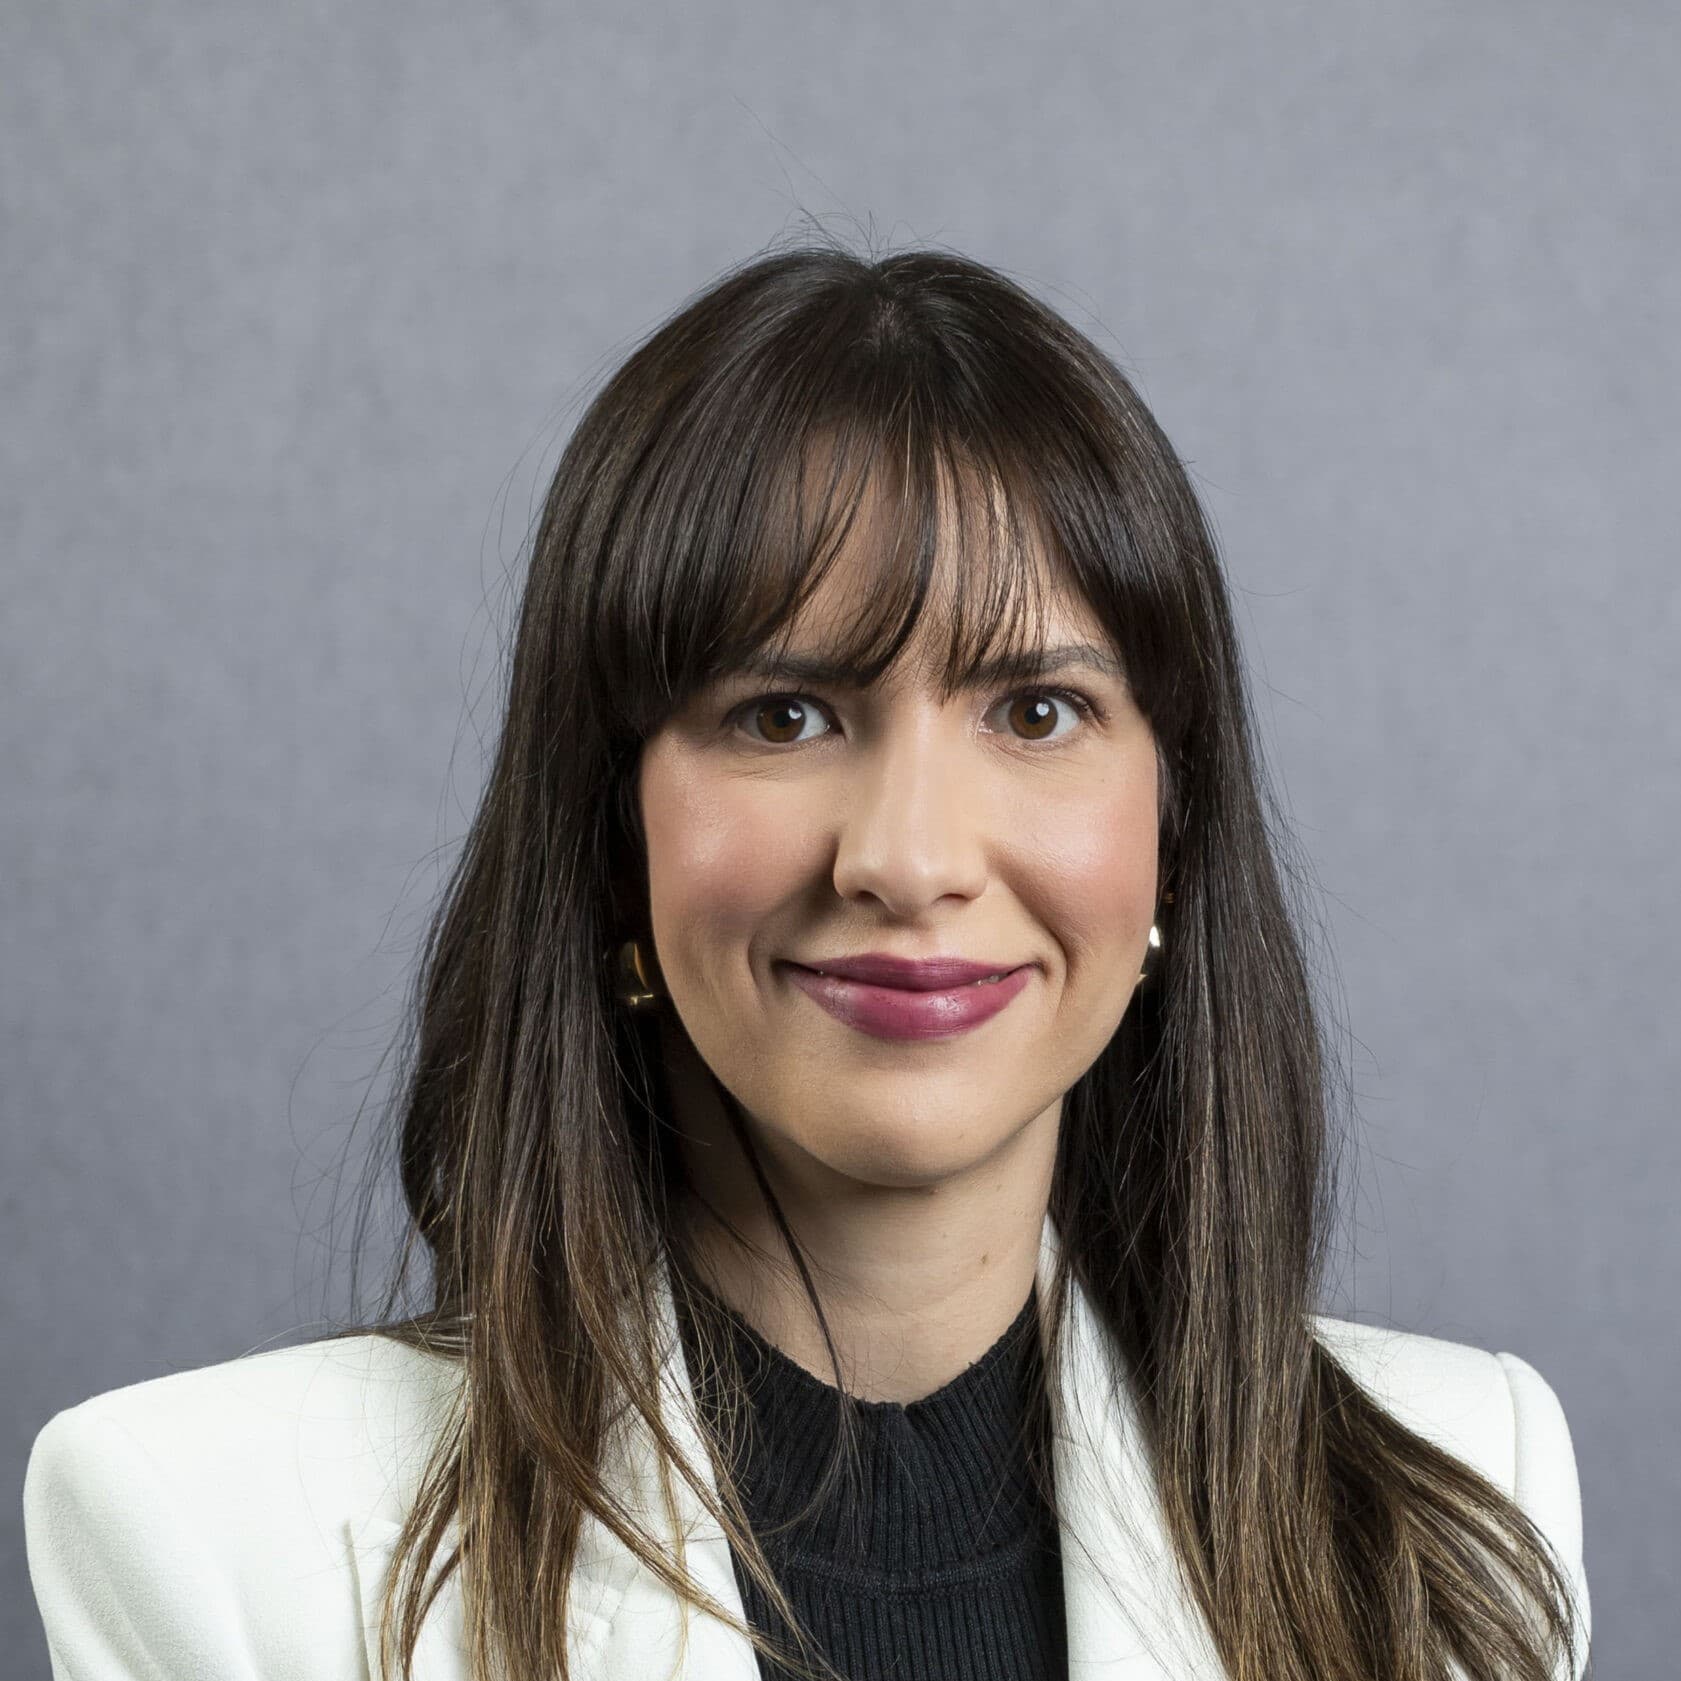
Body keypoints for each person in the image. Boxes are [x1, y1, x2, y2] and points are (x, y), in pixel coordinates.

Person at [22, 239, 1591, 1681]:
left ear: (1171, 833)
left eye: (1034, 710)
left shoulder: (1453, 1508)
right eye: (783, 715)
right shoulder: (218, 1538)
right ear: (611, 832)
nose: (906, 857)